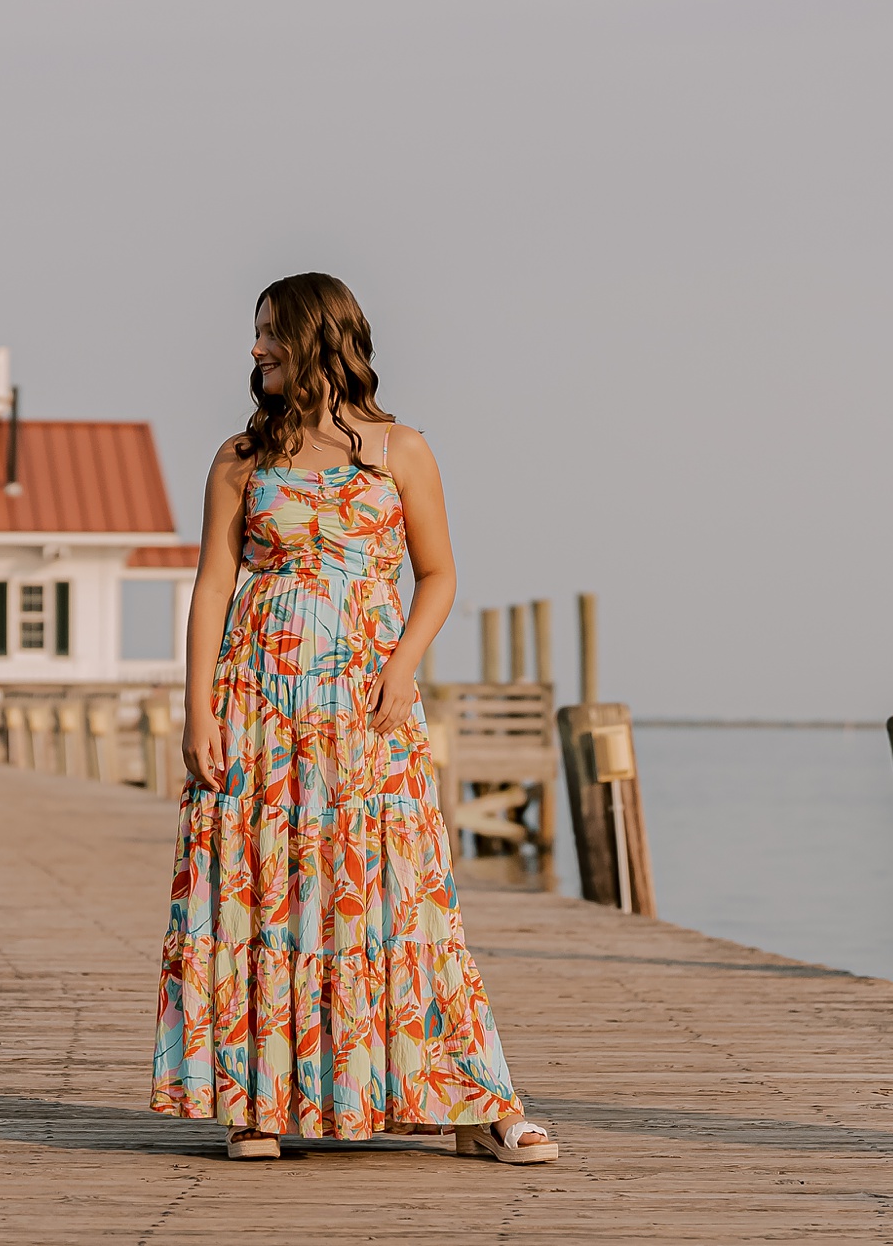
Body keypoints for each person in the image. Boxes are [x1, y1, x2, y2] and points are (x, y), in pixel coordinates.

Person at [149, 273, 555, 1164]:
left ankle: (475, 1102)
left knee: (402, 891)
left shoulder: (400, 450)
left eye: (270, 334)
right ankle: (256, 1104)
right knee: (264, 891)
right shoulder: (239, 459)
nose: (255, 349)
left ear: (319, 339)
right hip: (259, 703)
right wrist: (197, 708)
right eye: (254, 334)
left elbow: (439, 574)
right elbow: (214, 584)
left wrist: (403, 667)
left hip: (368, 705)